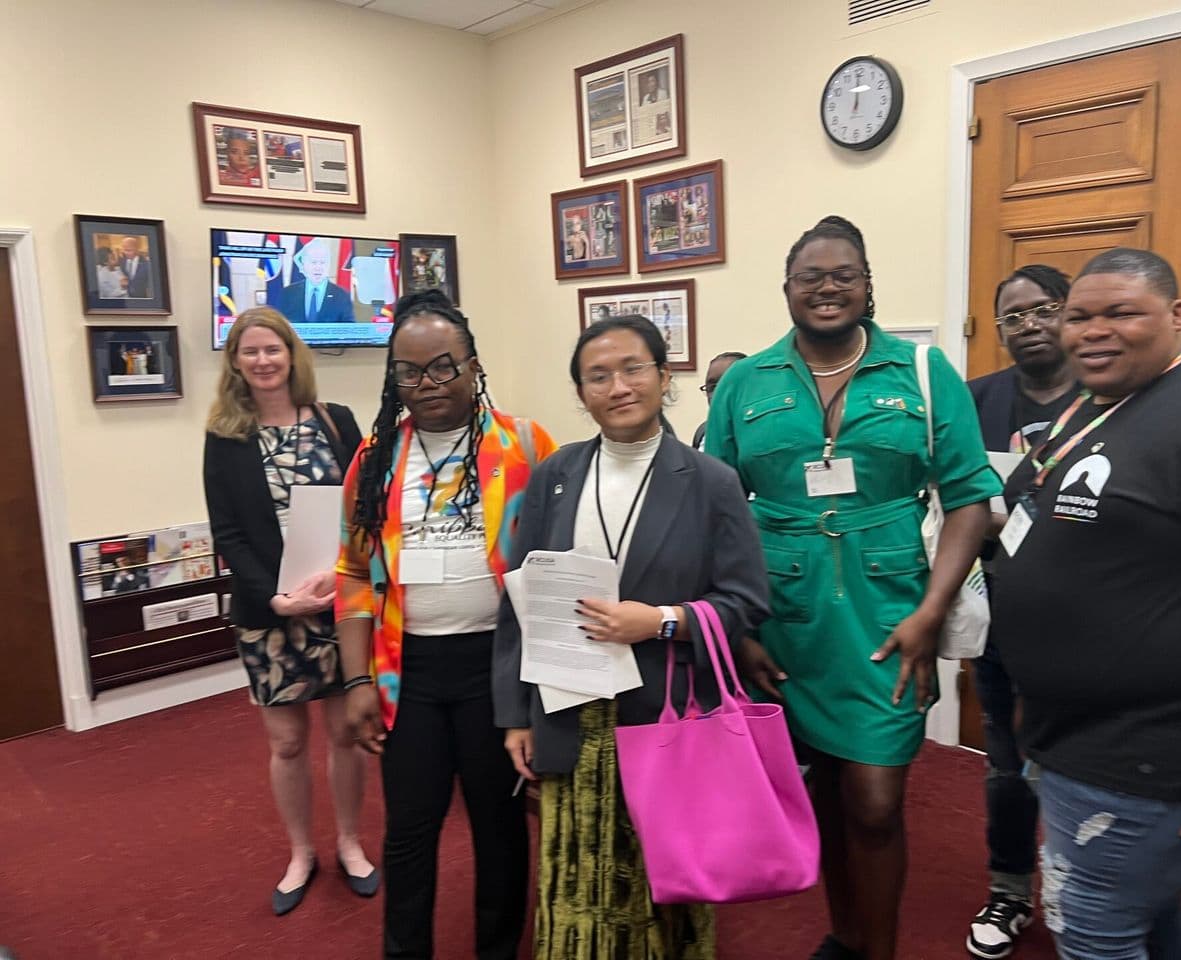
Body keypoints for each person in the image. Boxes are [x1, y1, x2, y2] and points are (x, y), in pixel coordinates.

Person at [704, 215, 998, 960]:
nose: (828, 288)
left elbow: (969, 496)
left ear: (869, 287)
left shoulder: (922, 375)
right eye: (811, 277)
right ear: (786, 290)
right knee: (823, 793)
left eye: (844, 275)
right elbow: (710, 506)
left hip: (889, 616)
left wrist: (932, 611)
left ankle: (878, 948)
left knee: (874, 801)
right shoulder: (745, 382)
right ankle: (845, 936)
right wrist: (735, 628)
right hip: (783, 619)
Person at [995, 248, 1181, 959]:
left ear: (1177, 315)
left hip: (1147, 754)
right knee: (1146, 920)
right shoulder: (1095, 409)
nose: (1093, 331)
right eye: (1080, 316)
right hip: (1075, 739)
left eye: (1121, 313)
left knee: (1096, 929)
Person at [492, 314, 768, 960]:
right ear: (582, 392)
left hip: (666, 719)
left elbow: (746, 602)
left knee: (662, 884)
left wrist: (663, 620)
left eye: (633, 369)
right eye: (598, 375)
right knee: (574, 886)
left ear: (663, 377)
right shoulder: (556, 475)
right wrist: (514, 717)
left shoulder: (710, 482)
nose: (617, 386)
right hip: (568, 714)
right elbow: (519, 603)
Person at [336, 289, 556, 960]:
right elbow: (351, 573)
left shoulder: (525, 445)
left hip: (499, 667)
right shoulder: (374, 459)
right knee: (410, 829)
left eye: (441, 366)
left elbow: (557, 562)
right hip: (410, 673)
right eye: (408, 371)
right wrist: (355, 682)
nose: (426, 383)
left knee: (498, 827)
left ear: (472, 365)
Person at [202, 307, 377, 916]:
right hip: (269, 612)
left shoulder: (337, 422)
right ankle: (302, 852)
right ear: (236, 364)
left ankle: (351, 842)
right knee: (288, 744)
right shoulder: (224, 437)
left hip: (338, 605)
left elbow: (366, 506)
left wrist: (344, 569)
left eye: (272, 349)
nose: (263, 361)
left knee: (344, 734)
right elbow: (228, 532)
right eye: (249, 352)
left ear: (291, 354)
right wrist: (275, 596)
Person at [964, 264, 1075, 960]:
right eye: (1013, 316)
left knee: (1076, 764)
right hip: (999, 619)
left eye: (1044, 310)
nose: (1029, 325)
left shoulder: (1110, 397)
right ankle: (1010, 889)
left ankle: (1076, 887)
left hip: (1094, 628)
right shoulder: (977, 401)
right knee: (1005, 766)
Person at [278, 239, 356, 325]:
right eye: (313, 262)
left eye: (322, 262)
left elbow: (349, 329)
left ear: (328, 265)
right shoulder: (288, 293)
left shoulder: (342, 295)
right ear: (304, 264)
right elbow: (279, 325)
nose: (318, 267)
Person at [691, 351, 746, 451]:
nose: (717, 394)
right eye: (712, 387)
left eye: (725, 385)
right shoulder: (703, 433)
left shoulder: (763, 434)